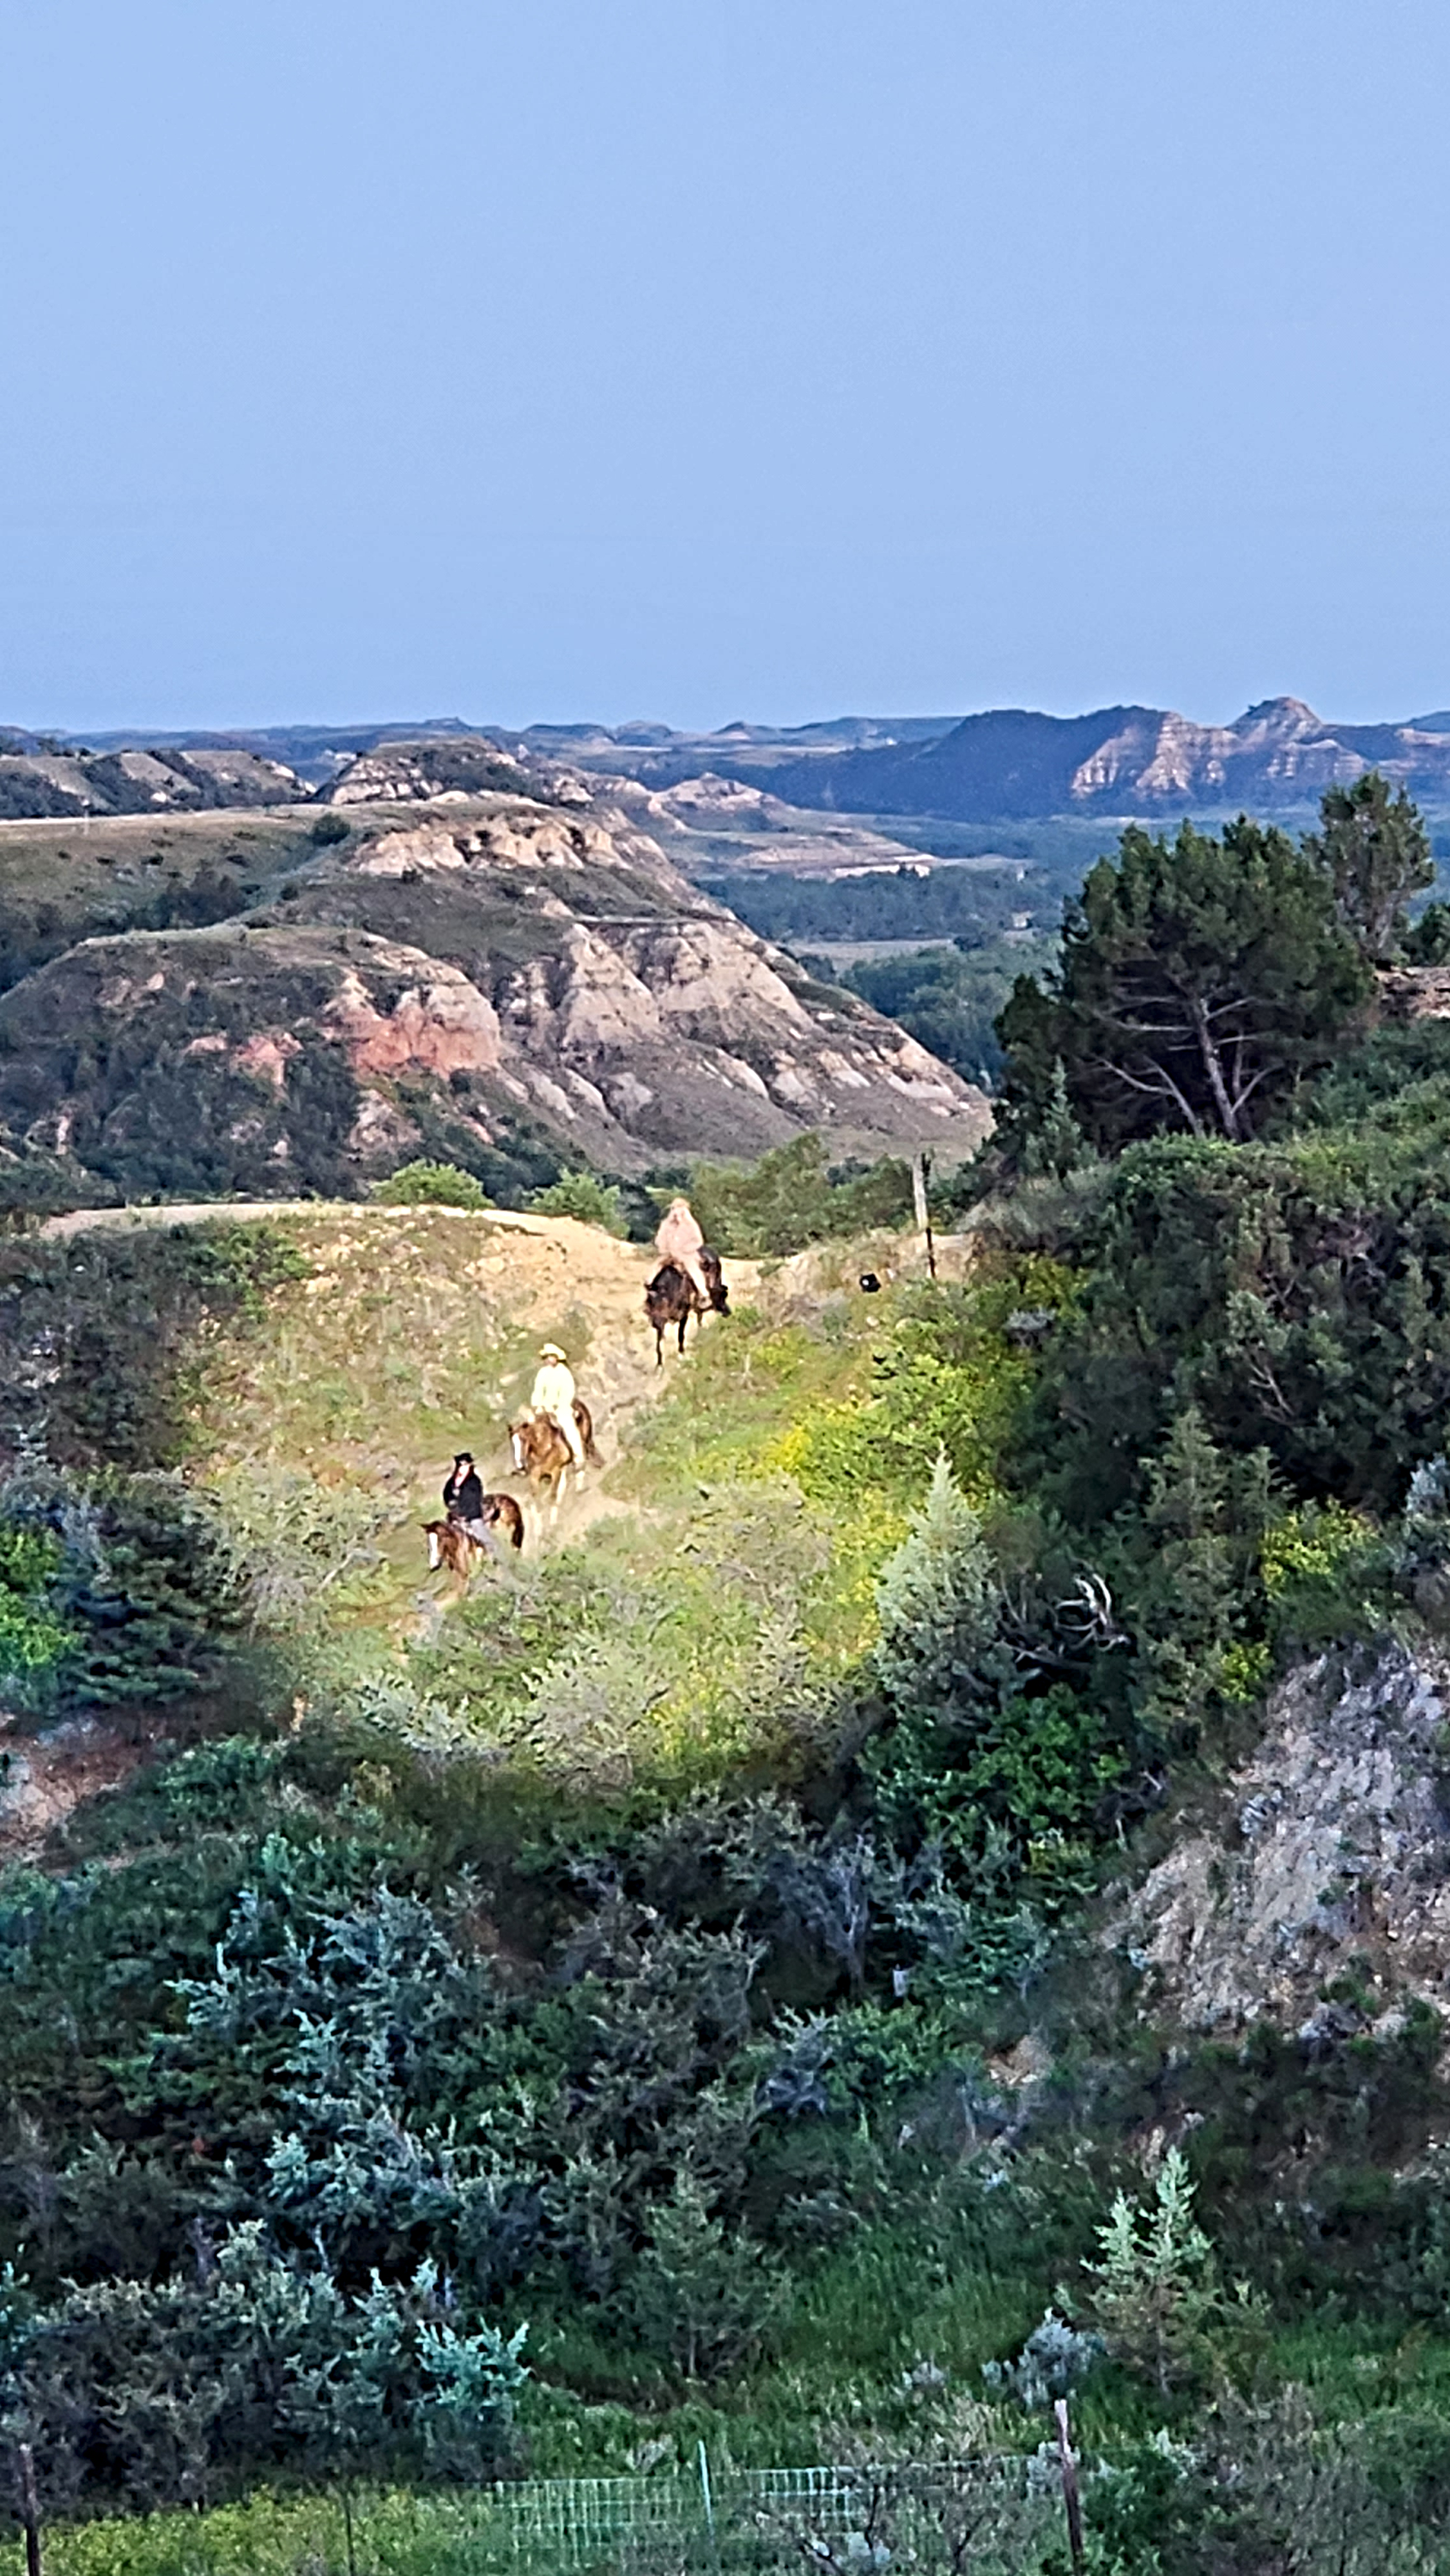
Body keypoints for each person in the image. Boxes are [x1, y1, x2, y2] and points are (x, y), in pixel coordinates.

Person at [530, 1341, 586, 1470]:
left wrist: (559, 1405)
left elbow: (568, 1391)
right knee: (530, 1428)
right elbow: (538, 1390)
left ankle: (579, 1456)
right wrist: (537, 1404)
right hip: (545, 1407)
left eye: (551, 1356)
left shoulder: (564, 1372)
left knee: (568, 1426)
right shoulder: (543, 1373)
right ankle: (526, 1461)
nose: (549, 1359)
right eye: (547, 1357)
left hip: (561, 1409)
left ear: (556, 1357)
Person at [654, 1195, 710, 1303]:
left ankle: (703, 1293)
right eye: (674, 1209)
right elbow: (659, 1239)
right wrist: (664, 1248)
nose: (676, 1212)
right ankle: (652, 1292)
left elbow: (698, 1241)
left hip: (687, 1255)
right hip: (669, 1254)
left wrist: (686, 1249)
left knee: (693, 1269)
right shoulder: (666, 1224)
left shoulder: (691, 1225)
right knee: (657, 1268)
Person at [443, 1452, 487, 1535]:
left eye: (466, 1466)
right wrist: (451, 1503)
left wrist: (463, 1509)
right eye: (461, 1467)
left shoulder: (474, 1481)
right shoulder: (451, 1482)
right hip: (456, 1517)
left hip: (473, 1516)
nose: (463, 1469)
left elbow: (475, 1499)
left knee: (485, 1540)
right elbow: (446, 1494)